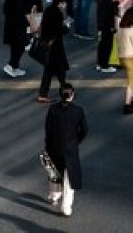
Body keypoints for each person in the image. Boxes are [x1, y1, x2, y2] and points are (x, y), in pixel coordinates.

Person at [42, 82, 89, 218]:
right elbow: (85, 130)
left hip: (54, 147)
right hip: (70, 148)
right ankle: (66, 207)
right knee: (69, 178)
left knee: (55, 173)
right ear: (72, 95)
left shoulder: (53, 109)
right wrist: (76, 140)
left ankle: (54, 195)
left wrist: (47, 144)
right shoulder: (78, 111)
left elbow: (48, 129)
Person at [2, 0, 42, 78]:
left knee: (17, 44)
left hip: (14, 21)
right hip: (21, 21)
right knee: (20, 43)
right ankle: (12, 65)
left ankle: (13, 65)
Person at [36, 0, 70, 103]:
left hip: (48, 45)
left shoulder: (48, 10)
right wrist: (66, 28)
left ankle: (47, 92)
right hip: (55, 47)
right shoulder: (57, 13)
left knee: (51, 71)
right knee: (58, 70)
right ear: (61, 2)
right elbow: (57, 30)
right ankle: (64, 90)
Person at [116, 7, 133, 114]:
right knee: (131, 82)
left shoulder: (120, 29)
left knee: (130, 79)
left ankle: (131, 101)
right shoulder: (132, 29)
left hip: (122, 57)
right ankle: (127, 104)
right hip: (131, 58)